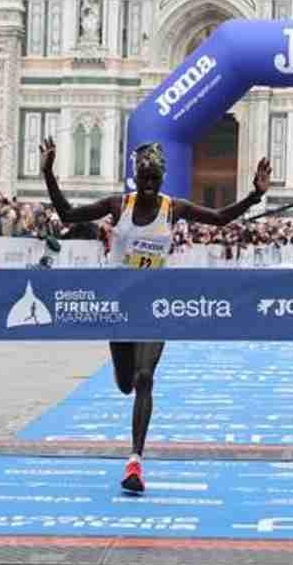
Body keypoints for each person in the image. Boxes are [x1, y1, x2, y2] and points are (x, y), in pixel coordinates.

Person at [41, 138, 270, 493]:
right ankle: (127, 383)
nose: (150, 184)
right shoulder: (118, 205)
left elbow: (220, 218)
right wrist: (47, 174)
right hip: (118, 306)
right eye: (145, 177)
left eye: (155, 179)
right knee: (125, 383)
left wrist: (255, 194)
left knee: (145, 377)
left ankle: (135, 461)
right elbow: (69, 215)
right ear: (136, 176)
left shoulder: (173, 208)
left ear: (163, 179)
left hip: (154, 303)